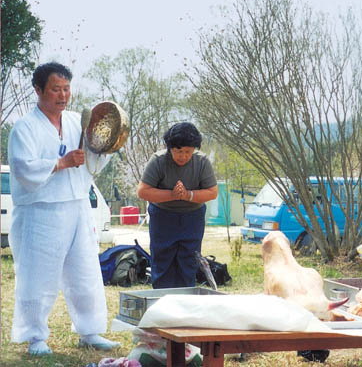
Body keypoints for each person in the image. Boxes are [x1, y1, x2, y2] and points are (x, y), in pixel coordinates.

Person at [8, 62, 119, 355]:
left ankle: (90, 330)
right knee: (37, 274)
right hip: (41, 212)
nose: (62, 95)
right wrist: (61, 162)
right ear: (38, 90)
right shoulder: (24, 127)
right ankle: (35, 337)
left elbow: (94, 157)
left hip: (77, 205)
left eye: (66, 89)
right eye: (55, 89)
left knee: (85, 270)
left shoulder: (75, 121)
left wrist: (105, 144)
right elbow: (22, 168)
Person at [138, 122, 218, 289]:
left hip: (192, 218)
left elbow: (212, 192)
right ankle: (162, 303)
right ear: (170, 149)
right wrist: (172, 195)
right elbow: (143, 192)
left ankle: (185, 304)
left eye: (188, 152)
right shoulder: (158, 161)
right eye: (178, 151)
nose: (183, 156)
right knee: (162, 262)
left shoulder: (202, 162)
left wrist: (188, 195)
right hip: (163, 217)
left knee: (188, 262)